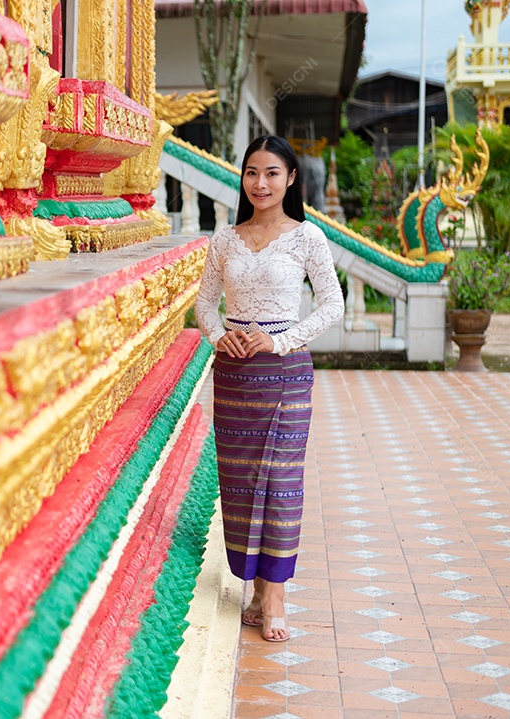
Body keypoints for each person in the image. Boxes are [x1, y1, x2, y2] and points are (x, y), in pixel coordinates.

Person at [193, 135, 344, 642]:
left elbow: (331, 305)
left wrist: (279, 341)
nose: (261, 183)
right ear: (243, 178)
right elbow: (204, 304)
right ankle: (255, 587)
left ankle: (275, 592)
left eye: (272, 173)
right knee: (238, 486)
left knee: (279, 483)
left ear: (291, 179)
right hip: (235, 377)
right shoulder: (225, 239)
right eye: (252, 172)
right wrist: (220, 337)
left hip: (284, 375)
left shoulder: (307, 238)